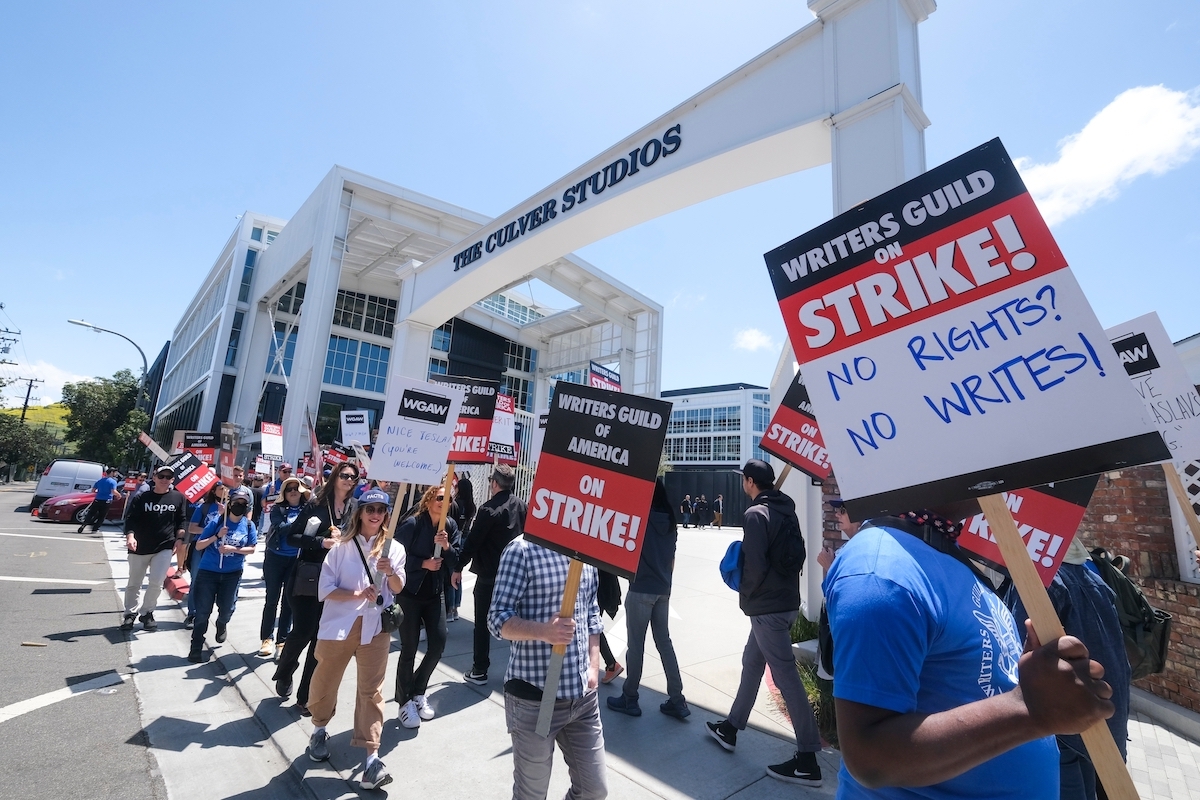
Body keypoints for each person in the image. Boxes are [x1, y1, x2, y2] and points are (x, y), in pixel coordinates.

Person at [824, 500, 1116, 799]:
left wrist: (1033, 677)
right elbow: (870, 758)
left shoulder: (942, 556)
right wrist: (1030, 709)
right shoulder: (882, 573)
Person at [706, 459, 823, 786]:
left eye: (744, 481)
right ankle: (730, 728)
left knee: (785, 676)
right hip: (786, 603)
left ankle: (808, 759)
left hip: (767, 609)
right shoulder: (788, 511)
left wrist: (745, 595)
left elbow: (754, 565)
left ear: (749, 481)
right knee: (752, 662)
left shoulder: (756, 515)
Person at [1005, 538, 1132, 800]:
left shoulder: (1038, 585)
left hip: (1063, 731)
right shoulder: (1094, 576)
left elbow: (1018, 663)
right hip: (1102, 717)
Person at [488, 536, 606, 800]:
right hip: (536, 700)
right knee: (532, 794)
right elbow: (497, 619)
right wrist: (545, 632)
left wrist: (593, 664)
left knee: (594, 790)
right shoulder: (522, 550)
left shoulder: (586, 548)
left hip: (583, 701)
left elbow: (592, 612)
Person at [305, 488, 406, 792]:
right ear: (360, 512)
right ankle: (320, 728)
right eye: (370, 509)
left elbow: (399, 587)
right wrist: (357, 595)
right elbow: (325, 590)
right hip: (339, 626)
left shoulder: (394, 549)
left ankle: (372, 758)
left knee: (371, 691)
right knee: (325, 681)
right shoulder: (340, 548)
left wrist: (390, 574)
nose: (375, 515)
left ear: (387, 514)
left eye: (381, 510)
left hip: (375, 629)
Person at [273, 461, 359, 714]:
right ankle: (285, 670)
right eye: (344, 475)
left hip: (337, 581)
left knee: (321, 640)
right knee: (303, 631)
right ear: (335, 478)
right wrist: (322, 542)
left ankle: (306, 696)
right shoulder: (316, 504)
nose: (348, 480)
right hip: (309, 578)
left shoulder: (355, 507)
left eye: (353, 478)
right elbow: (292, 537)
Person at [607, 478, 690, 719]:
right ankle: (678, 700)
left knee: (636, 645)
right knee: (665, 643)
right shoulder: (671, 522)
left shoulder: (640, 520)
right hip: (663, 589)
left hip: (641, 588)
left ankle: (630, 698)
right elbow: (672, 560)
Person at [452, 464, 527, 686]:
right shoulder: (523, 506)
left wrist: (457, 567)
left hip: (489, 576)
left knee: (483, 624)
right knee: (517, 624)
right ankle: (517, 671)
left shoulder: (488, 510)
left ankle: (480, 669)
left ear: (494, 483)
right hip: (515, 577)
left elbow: (473, 542)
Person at [393, 483, 459, 726]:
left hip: (434, 594)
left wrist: (446, 547)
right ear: (430, 499)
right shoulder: (412, 524)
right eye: (440, 497)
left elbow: (457, 558)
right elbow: (395, 556)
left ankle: (418, 691)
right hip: (409, 593)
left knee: (438, 644)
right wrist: (422, 563)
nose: (444, 502)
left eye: (448, 499)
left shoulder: (449, 526)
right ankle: (404, 701)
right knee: (409, 648)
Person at [187, 494, 258, 662]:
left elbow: (252, 548)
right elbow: (199, 545)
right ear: (229, 504)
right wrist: (217, 536)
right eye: (236, 503)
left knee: (227, 608)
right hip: (209, 571)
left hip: (232, 573)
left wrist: (233, 549)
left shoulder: (248, 525)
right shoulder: (218, 522)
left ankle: (222, 623)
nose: (239, 506)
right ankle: (196, 646)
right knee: (203, 611)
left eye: (243, 503)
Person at [121, 465, 187, 632]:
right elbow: (131, 520)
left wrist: (179, 539)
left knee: (156, 582)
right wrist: (130, 536)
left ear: (173, 480)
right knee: (134, 583)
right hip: (140, 546)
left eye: (168, 477)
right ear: (155, 478)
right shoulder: (142, 497)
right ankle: (130, 613)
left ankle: (147, 612)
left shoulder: (178, 498)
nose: (165, 480)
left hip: (164, 546)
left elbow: (182, 520)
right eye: (162, 476)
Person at [259, 477, 308, 658]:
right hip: (275, 558)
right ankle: (266, 638)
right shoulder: (277, 509)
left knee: (288, 602)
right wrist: (302, 522)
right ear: (284, 493)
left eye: (297, 488)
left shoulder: (307, 509)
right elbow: (280, 528)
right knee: (272, 599)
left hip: (295, 560)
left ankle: (282, 641)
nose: (293, 491)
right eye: (289, 489)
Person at [181, 483, 228, 629]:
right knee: (196, 579)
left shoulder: (231, 508)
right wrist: (210, 531)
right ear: (214, 491)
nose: (224, 491)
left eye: (226, 489)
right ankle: (192, 613)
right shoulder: (204, 507)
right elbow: (192, 528)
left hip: (220, 550)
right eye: (221, 488)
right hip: (201, 547)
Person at [446, 473, 476, 622]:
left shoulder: (456, 504)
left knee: (452, 573)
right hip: (465, 538)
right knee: (458, 575)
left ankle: (450, 609)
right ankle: (456, 608)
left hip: (455, 539)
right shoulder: (472, 505)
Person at [597, 570, 624, 684]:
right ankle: (611, 664)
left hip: (599, 589)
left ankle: (611, 664)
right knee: (592, 627)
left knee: (592, 627)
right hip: (606, 588)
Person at [79, 466, 122, 533]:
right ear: (111, 473)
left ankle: (84, 524)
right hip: (106, 500)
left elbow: (93, 490)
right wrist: (119, 495)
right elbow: (113, 491)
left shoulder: (100, 481)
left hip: (97, 499)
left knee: (91, 513)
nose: (116, 474)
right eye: (115, 473)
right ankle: (95, 529)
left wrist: (100, 492)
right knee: (102, 515)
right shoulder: (113, 482)